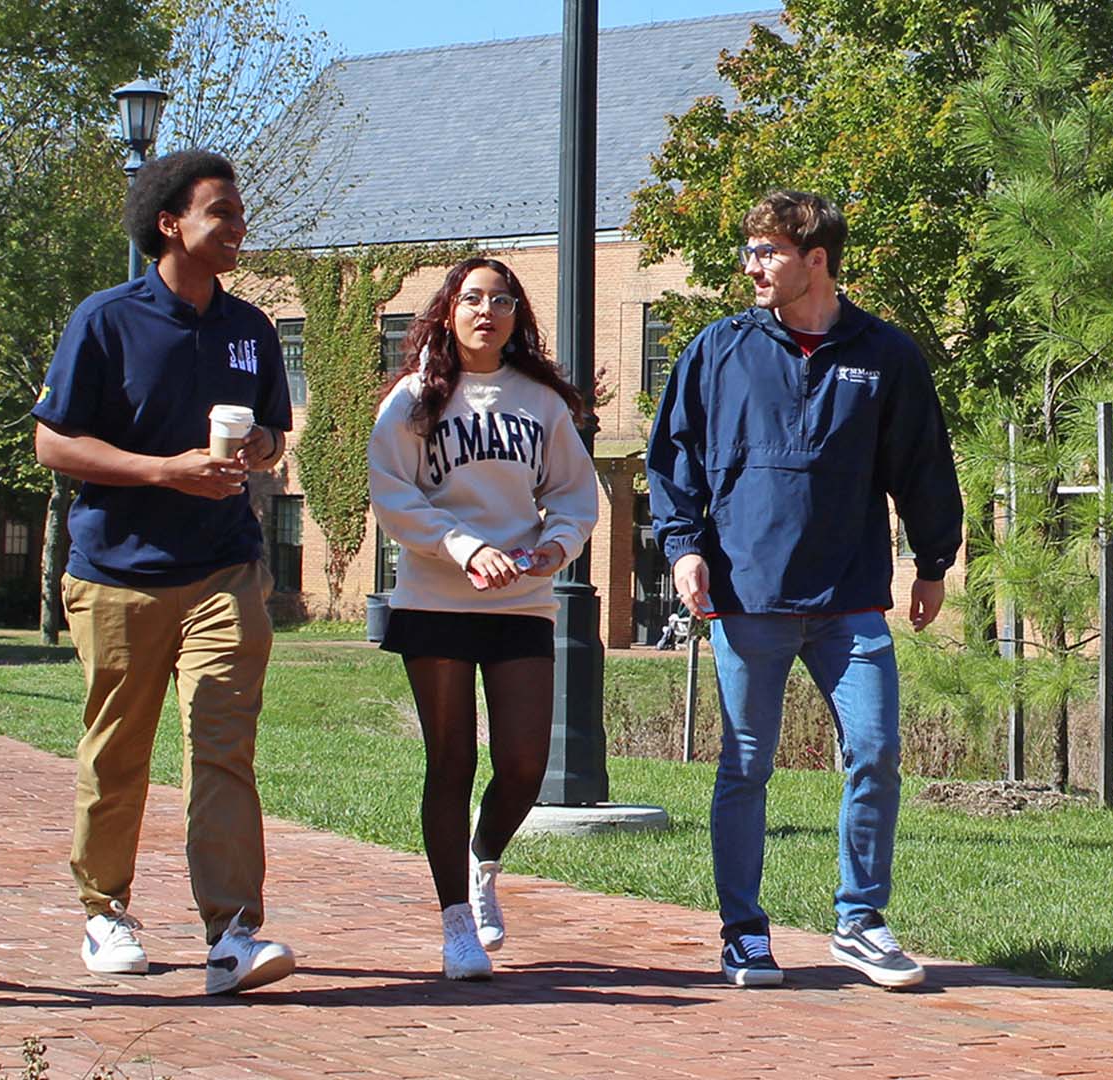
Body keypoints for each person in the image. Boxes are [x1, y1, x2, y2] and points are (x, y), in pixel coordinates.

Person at [645, 190, 962, 989]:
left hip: (850, 599)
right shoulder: (717, 350)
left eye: (767, 252)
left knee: (878, 752)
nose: (751, 265)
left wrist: (931, 562)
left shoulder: (884, 354)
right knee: (746, 765)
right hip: (746, 599)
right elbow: (672, 455)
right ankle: (744, 931)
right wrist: (683, 548)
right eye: (749, 250)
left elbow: (921, 463)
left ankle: (861, 922)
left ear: (815, 259)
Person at [32, 150, 295, 995]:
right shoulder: (105, 321)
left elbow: (275, 437)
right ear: (170, 222)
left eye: (240, 211)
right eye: (221, 212)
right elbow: (53, 442)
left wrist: (260, 447)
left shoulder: (252, 329)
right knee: (120, 750)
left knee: (224, 744)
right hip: (118, 572)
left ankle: (233, 935)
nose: (238, 226)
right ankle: (104, 912)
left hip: (224, 565)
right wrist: (162, 471)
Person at [368, 258, 599, 980]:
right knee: (452, 762)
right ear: (447, 310)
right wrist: (463, 547)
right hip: (436, 600)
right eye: (473, 298)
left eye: (502, 300)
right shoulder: (412, 400)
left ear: (516, 318)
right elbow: (393, 497)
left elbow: (574, 494)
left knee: (526, 764)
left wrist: (555, 545)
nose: (487, 310)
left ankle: (483, 859)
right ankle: (455, 926)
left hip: (519, 603)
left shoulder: (540, 402)